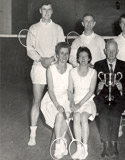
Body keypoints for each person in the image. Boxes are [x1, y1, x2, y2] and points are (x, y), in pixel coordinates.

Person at [27, 1, 65, 146]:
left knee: (58, 100)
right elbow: (30, 49)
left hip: (55, 68)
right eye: (44, 9)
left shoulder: (58, 28)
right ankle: (32, 135)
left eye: (49, 9)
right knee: (36, 102)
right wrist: (41, 59)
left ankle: (59, 135)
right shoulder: (34, 28)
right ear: (40, 11)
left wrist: (51, 59)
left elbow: (62, 49)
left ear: (52, 11)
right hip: (38, 68)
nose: (47, 12)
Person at [93, 40, 125, 158]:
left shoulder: (124, 65)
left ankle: (114, 145)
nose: (111, 53)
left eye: (114, 51)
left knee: (114, 113)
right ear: (105, 51)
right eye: (109, 50)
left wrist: (121, 88)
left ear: (117, 51)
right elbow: (93, 85)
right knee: (103, 114)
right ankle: (106, 145)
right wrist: (98, 89)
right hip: (102, 98)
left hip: (118, 98)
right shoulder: (98, 65)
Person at [40, 42, 72, 159]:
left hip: (66, 98)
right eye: (61, 53)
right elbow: (51, 90)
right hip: (52, 99)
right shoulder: (50, 69)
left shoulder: (70, 68)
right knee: (60, 115)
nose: (64, 56)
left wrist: (71, 102)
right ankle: (60, 144)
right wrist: (57, 105)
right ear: (57, 55)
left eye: (66, 53)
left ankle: (60, 142)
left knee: (66, 114)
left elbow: (70, 90)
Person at [68, 47, 97, 160]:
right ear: (78, 59)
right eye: (81, 56)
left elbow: (91, 91)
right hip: (75, 101)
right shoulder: (72, 72)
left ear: (89, 58)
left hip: (88, 101)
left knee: (83, 117)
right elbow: (70, 91)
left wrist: (79, 104)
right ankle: (79, 147)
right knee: (76, 116)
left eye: (86, 56)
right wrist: (72, 103)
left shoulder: (93, 72)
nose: (83, 58)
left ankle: (85, 148)